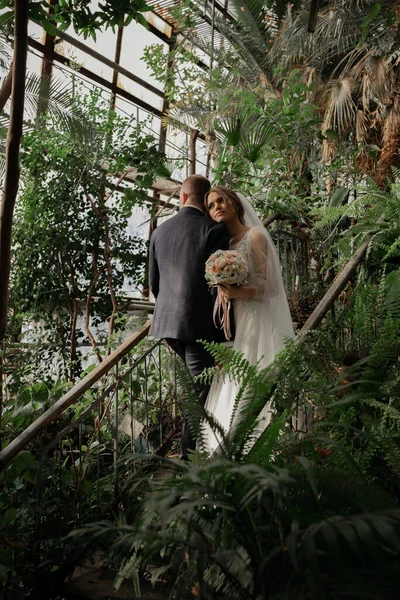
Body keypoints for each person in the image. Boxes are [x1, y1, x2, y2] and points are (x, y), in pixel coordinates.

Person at [201, 186, 294, 453]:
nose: (217, 206)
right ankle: (226, 446)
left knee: (253, 375)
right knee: (235, 376)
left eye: (221, 201)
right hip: (236, 318)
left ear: (235, 203)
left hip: (256, 317)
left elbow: (272, 287)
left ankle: (259, 443)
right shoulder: (222, 245)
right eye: (211, 205)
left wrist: (238, 292)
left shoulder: (255, 236)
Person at [148, 175, 231, 459]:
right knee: (199, 396)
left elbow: (154, 285)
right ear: (205, 199)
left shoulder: (159, 231)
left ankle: (199, 455)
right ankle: (187, 463)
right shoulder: (214, 230)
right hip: (199, 328)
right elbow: (217, 288)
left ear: (182, 197)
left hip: (168, 327)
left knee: (199, 390)